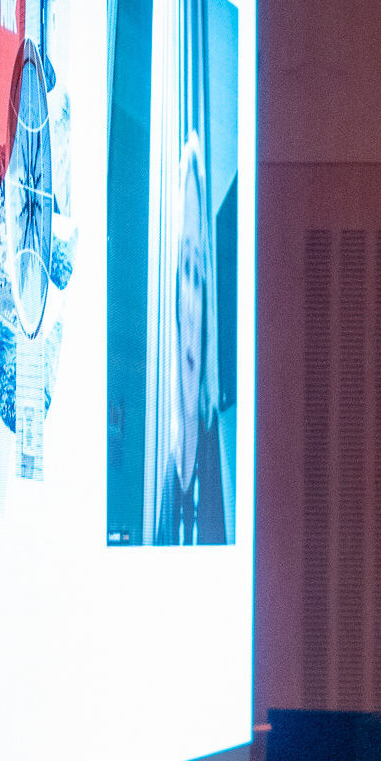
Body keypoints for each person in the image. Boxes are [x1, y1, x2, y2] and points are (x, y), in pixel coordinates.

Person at [149, 134, 228, 544]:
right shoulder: (161, 474)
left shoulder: (217, 455)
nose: (193, 301)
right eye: (185, 270)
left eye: (199, 275)